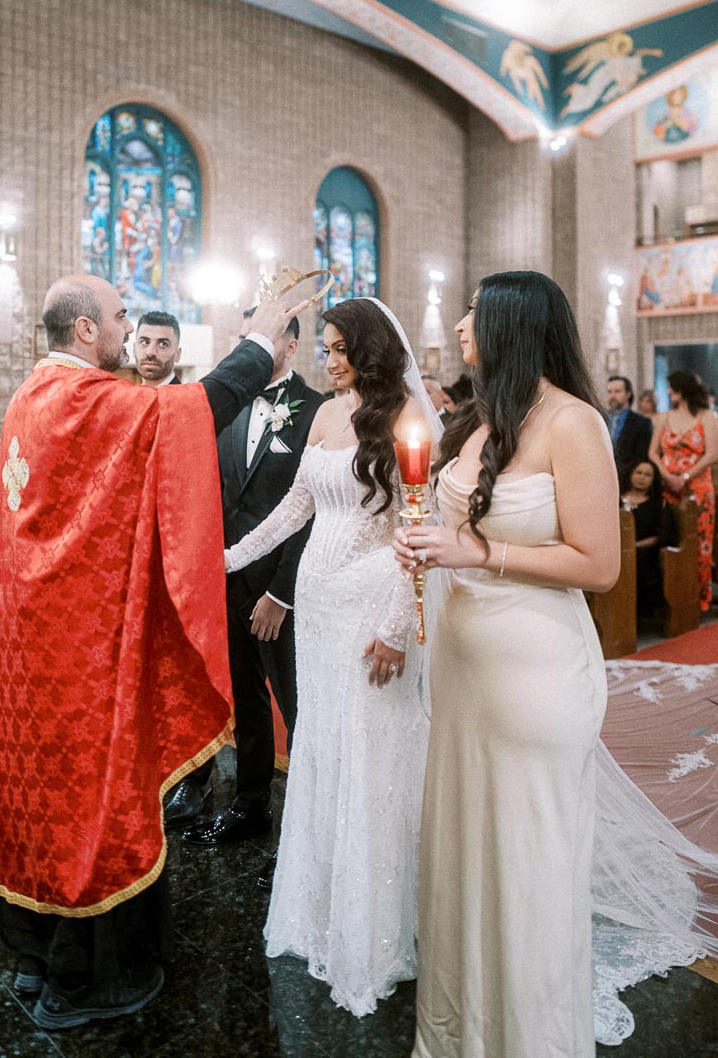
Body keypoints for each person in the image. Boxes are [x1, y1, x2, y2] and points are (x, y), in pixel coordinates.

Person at [0, 273, 309, 1032]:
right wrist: (260, 337)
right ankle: (86, 980)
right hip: (76, 651)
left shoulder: (30, 395)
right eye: (116, 318)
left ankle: (34, 952)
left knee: (39, 798)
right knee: (90, 798)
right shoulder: (83, 397)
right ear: (86, 332)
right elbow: (189, 413)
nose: (123, 329)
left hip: (29, 642)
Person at [397, 270, 619, 1057]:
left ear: (513, 326)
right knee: (465, 860)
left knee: (526, 871)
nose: (460, 325)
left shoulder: (574, 423)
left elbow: (599, 566)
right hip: (464, 679)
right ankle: (463, 1036)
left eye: (474, 313)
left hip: (534, 678)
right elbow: (450, 526)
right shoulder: (481, 420)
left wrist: (475, 550)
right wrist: (422, 544)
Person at [224, 298, 443, 1017]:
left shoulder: (406, 420)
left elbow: (420, 532)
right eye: (325, 346)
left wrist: (396, 628)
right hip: (315, 614)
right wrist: (226, 559)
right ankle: (319, 913)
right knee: (320, 750)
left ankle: (375, 934)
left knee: (369, 759)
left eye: (343, 347)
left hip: (370, 610)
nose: (331, 358)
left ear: (373, 349)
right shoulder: (323, 413)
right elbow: (295, 507)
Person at [182, 310, 323, 876]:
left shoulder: (316, 412)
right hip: (229, 577)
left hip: (283, 590)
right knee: (246, 701)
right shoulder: (229, 408)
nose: (253, 347)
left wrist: (282, 592)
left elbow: (315, 511)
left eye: (263, 338)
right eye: (246, 339)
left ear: (290, 344)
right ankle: (250, 804)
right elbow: (218, 493)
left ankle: (307, 835)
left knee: (299, 707)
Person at [649, 369, 718, 613]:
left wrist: (686, 476)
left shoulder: (706, 416)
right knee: (671, 540)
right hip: (669, 487)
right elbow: (652, 453)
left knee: (700, 542)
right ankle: (673, 597)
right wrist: (667, 475)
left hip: (697, 487)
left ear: (683, 389)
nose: (668, 391)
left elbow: (712, 454)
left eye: (671, 387)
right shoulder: (664, 417)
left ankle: (700, 598)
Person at [619, 459, 675, 619]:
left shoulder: (659, 503)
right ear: (631, 474)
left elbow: (662, 536)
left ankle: (633, 614)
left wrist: (634, 546)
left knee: (637, 561)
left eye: (647, 474)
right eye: (639, 472)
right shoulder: (615, 497)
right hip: (615, 549)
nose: (642, 477)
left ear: (653, 480)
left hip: (644, 552)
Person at [606, 374, 652, 469]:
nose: (612, 396)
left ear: (628, 394)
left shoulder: (642, 423)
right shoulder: (601, 418)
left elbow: (641, 457)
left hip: (627, 476)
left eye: (617, 391)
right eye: (609, 392)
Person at [134, 310, 182, 386]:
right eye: (144, 342)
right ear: (134, 349)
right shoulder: (129, 396)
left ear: (177, 354)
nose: (150, 352)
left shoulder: (187, 397)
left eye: (163, 344)